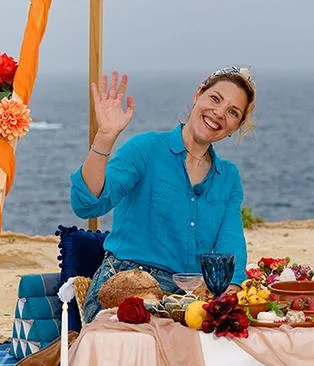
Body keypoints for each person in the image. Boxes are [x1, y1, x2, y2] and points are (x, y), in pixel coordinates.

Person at [72, 67, 256, 323]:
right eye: (215, 99)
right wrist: (105, 137)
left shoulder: (228, 177)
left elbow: (231, 247)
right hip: (126, 289)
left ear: (235, 127)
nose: (219, 113)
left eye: (233, 112)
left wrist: (230, 297)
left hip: (187, 300)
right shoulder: (144, 149)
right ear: (198, 94)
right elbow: (87, 205)